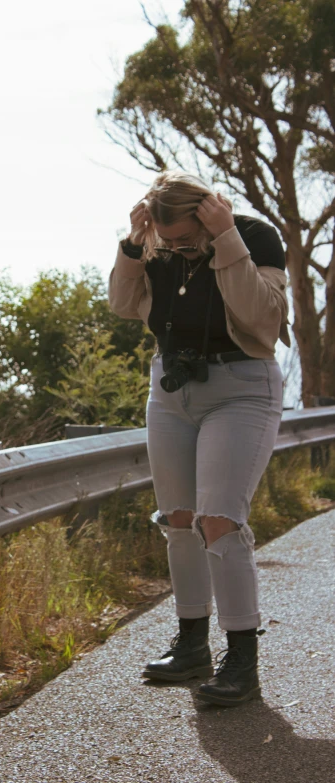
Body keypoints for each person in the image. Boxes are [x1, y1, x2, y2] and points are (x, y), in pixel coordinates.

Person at [108, 170, 291, 707]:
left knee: (219, 523)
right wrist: (134, 245)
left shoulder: (254, 236)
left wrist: (226, 239)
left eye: (189, 238)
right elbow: (123, 304)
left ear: (208, 212)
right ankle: (191, 646)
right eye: (173, 241)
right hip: (171, 393)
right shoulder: (156, 247)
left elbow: (261, 316)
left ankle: (242, 662)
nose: (181, 248)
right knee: (179, 521)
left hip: (241, 389)